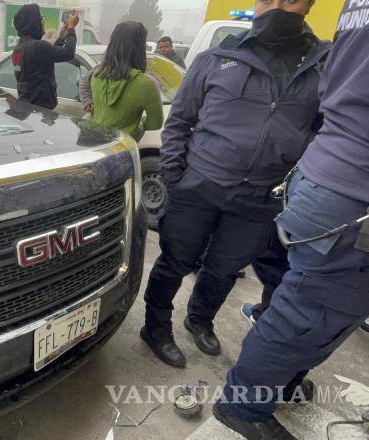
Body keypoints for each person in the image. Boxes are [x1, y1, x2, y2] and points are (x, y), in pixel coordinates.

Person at [140, 0, 329, 369]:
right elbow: (179, 121)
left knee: (225, 268)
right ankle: (155, 327)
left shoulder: (324, 67)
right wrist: (173, 178)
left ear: (308, 3)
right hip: (199, 185)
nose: (276, 7)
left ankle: (199, 318)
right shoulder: (218, 57)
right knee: (176, 259)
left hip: (259, 197)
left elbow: (327, 133)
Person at [214, 0, 369, 438]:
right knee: (307, 312)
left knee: (315, 305)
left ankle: (280, 381)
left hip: (329, 176)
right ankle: (243, 408)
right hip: (351, 193)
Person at [78, 22, 164, 142]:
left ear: (112, 44)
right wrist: (136, 125)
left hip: (93, 144)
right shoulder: (146, 84)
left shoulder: (96, 76)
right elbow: (155, 123)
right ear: (140, 47)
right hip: (120, 149)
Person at [12, 4, 79, 109]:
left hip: (26, 107)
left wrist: (61, 37)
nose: (43, 21)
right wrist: (71, 28)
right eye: (41, 18)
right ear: (33, 22)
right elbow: (68, 53)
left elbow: (48, 56)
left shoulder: (19, 48)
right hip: (40, 111)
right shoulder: (38, 46)